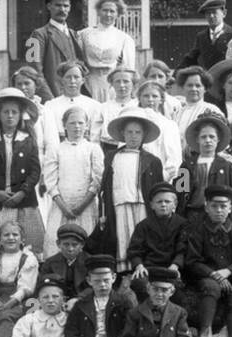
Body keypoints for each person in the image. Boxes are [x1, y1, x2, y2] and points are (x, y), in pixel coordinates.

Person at [0, 87, 45, 257]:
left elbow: (35, 171)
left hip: (22, 199)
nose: (10, 116)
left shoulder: (28, 140)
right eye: (6, 112)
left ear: (20, 115)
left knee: (26, 243)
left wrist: (22, 192)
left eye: (14, 112)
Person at [183, 184, 232, 337]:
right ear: (206, 207)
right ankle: (206, 332)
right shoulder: (197, 230)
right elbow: (192, 260)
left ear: (230, 208)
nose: (219, 210)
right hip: (207, 276)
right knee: (211, 287)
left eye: (223, 206)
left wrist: (228, 271)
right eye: (214, 206)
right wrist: (214, 274)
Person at [96, 113, 167, 273]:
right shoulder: (112, 157)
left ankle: (143, 269)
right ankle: (124, 272)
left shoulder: (152, 160)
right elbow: (104, 186)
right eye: (129, 132)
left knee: (142, 238)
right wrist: (103, 210)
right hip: (119, 203)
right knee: (122, 237)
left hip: (142, 204)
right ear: (123, 134)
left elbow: (158, 189)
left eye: (137, 133)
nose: (133, 136)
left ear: (144, 135)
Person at [41, 106, 104, 257]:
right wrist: (63, 207)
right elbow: (50, 180)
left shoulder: (93, 148)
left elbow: (97, 179)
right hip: (61, 205)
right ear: (64, 125)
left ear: (87, 125)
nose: (77, 127)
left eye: (81, 123)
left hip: (86, 205)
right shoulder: (56, 149)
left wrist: (81, 206)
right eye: (72, 123)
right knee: (57, 243)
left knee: (86, 241)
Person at [24, 0, 90, 98]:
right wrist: (48, 98)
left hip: (75, 95)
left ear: (70, 8)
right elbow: (34, 71)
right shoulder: (38, 35)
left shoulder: (74, 35)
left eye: (66, 6)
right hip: (54, 95)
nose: (62, 9)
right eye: (58, 5)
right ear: (49, 6)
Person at [127, 181, 188, 298]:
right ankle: (146, 312)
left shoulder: (182, 224)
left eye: (167, 201)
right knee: (139, 283)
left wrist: (176, 264)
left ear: (175, 204)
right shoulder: (143, 225)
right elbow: (134, 250)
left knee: (176, 287)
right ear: (152, 205)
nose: (163, 205)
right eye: (159, 201)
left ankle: (170, 314)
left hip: (171, 268)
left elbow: (183, 248)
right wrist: (139, 265)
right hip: (149, 268)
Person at [179, 113, 232, 223]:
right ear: (197, 139)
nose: (208, 140)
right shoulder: (186, 166)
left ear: (218, 139)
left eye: (212, 137)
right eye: (203, 137)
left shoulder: (227, 167)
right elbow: (180, 193)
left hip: (217, 217)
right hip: (192, 216)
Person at [79, 0, 137, 103]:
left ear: (118, 14)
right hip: (88, 83)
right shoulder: (84, 34)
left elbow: (128, 68)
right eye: (105, 10)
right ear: (98, 11)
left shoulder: (124, 38)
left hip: (112, 85)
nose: (108, 14)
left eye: (112, 11)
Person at [39, 61, 104, 148]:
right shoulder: (51, 105)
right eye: (68, 77)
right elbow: (49, 135)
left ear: (83, 80)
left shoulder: (94, 106)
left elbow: (95, 137)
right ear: (62, 80)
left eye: (76, 77)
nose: (72, 81)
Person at [132, 80, 182, 183]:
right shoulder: (131, 122)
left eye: (154, 96)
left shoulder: (169, 125)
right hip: (133, 177)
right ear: (139, 99)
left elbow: (174, 158)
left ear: (161, 99)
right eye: (146, 96)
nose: (150, 100)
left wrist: (162, 176)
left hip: (161, 178)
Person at [181, 0, 232, 70]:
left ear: (224, 13)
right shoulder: (201, 36)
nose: (211, 16)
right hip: (208, 78)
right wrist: (175, 77)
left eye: (214, 12)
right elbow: (190, 59)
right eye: (208, 13)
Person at [38, 222, 93, 302]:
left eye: (74, 245)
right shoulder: (50, 263)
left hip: (84, 301)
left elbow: (95, 286)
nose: (70, 249)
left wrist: (78, 299)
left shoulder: (90, 262)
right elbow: (43, 285)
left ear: (82, 245)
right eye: (66, 244)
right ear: (58, 244)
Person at [174, 66, 225, 143]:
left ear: (205, 88)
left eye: (198, 86)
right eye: (189, 85)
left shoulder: (212, 110)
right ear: (183, 87)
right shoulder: (176, 110)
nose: (194, 89)